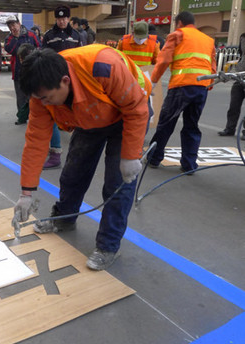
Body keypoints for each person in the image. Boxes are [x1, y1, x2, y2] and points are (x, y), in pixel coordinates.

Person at [13, 47, 151, 271]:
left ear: (65, 81)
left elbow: (136, 108)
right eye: (39, 99)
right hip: (89, 115)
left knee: (118, 184)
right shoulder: (41, 95)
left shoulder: (103, 68)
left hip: (127, 113)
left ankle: (108, 246)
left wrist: (130, 155)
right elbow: (36, 140)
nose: (44, 104)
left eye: (47, 98)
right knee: (73, 174)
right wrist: (26, 192)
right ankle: (64, 218)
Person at [148, 11, 216, 173]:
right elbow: (212, 65)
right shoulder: (208, 39)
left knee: (166, 122)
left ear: (179, 23)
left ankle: (154, 157)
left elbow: (164, 59)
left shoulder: (177, 35)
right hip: (201, 87)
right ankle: (189, 164)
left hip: (181, 85)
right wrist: (210, 83)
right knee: (192, 126)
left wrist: (154, 80)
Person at [41, 5, 81, 170]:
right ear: (56, 19)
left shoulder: (77, 36)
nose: (62, 21)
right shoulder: (49, 36)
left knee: (79, 116)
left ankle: (78, 155)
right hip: (55, 82)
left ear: (69, 19)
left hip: (74, 83)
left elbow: (81, 57)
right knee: (52, 115)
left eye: (65, 18)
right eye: (59, 18)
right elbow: (43, 56)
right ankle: (55, 153)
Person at [4, 15, 40, 124]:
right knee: (20, 97)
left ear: (19, 23)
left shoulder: (31, 34)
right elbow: (10, 50)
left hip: (33, 71)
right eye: (10, 26)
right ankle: (22, 117)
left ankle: (35, 117)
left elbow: (40, 46)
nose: (13, 27)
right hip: (18, 72)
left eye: (14, 24)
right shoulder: (9, 38)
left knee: (33, 96)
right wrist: (16, 38)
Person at [218, 32, 245, 140]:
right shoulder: (243, 36)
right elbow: (241, 54)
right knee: (234, 105)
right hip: (240, 76)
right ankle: (230, 128)